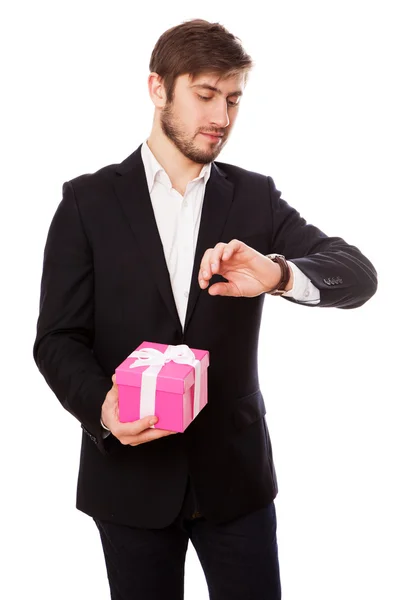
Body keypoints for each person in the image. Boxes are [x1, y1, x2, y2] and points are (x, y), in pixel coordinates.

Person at [33, 18, 377, 600]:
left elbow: (358, 275)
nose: (222, 117)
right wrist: (104, 409)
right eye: (205, 94)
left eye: (234, 98)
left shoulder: (254, 196)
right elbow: (57, 339)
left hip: (234, 481)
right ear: (158, 89)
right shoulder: (87, 202)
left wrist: (280, 273)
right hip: (129, 480)